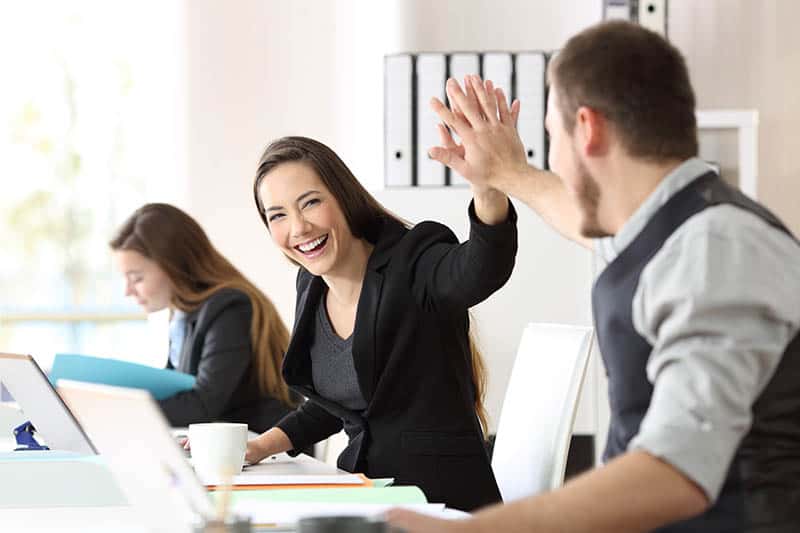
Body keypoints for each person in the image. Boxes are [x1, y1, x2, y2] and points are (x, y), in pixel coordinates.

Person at [388, 20, 800, 533]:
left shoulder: (716, 247)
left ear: (587, 128)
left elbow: (677, 470)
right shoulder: (676, 233)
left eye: (550, 135)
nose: (551, 157)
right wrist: (505, 173)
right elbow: (579, 215)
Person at [245, 135, 517, 511]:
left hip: (440, 505)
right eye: (277, 215)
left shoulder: (414, 260)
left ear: (343, 197)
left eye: (310, 203)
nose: (298, 228)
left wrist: (487, 188)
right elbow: (336, 402)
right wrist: (260, 446)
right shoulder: (310, 286)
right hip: (369, 501)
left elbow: (481, 269)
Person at [110, 203, 298, 434]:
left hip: (264, 450)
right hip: (224, 447)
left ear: (174, 266)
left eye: (136, 278)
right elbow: (175, 389)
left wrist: (120, 412)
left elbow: (202, 404)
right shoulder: (182, 314)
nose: (127, 291)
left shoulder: (230, 308)